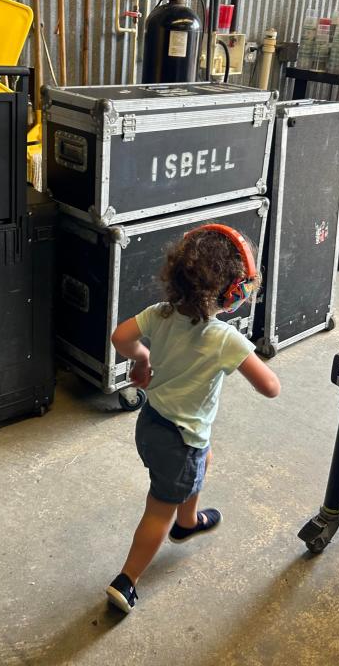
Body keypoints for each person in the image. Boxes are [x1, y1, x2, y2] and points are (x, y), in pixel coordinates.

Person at [105, 224, 281, 614]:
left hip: (151, 426)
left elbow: (120, 338)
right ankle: (127, 579)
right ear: (233, 293)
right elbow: (270, 387)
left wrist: (143, 357)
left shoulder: (161, 313)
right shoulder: (225, 339)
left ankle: (189, 520)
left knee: (205, 457)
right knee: (158, 509)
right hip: (180, 440)